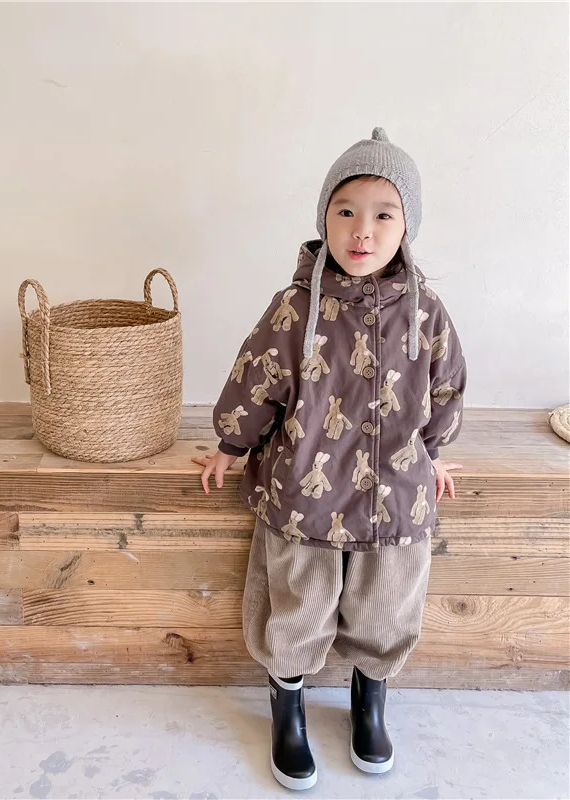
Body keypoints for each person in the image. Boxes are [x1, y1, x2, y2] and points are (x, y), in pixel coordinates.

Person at [192, 127, 467, 790]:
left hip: (395, 495)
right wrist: (231, 443)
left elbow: (447, 384)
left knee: (388, 606)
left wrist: (433, 452)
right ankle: (287, 709)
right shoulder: (295, 309)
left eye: (383, 214)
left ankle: (369, 705)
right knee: (298, 606)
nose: (362, 230)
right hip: (303, 495)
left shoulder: (425, 311)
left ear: (407, 226)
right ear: (324, 219)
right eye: (346, 210)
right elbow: (257, 378)